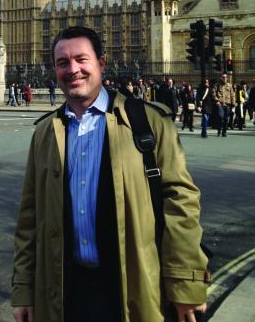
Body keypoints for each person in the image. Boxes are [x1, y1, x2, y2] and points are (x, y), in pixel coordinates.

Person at [12, 26, 209, 322]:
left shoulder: (148, 122)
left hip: (131, 287)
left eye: (81, 59)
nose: (73, 69)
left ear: (101, 63)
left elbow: (181, 204)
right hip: (65, 290)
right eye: (63, 62)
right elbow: (29, 219)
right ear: (54, 69)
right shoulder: (45, 133)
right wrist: (24, 289)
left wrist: (185, 285)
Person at [215, 73, 235, 137]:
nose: (225, 78)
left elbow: (232, 95)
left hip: (227, 104)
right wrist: (217, 100)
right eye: (223, 77)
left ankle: (224, 132)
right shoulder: (218, 85)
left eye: (226, 77)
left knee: (226, 119)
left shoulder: (229, 85)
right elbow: (214, 93)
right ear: (221, 78)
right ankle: (219, 130)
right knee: (221, 117)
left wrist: (233, 104)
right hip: (220, 103)